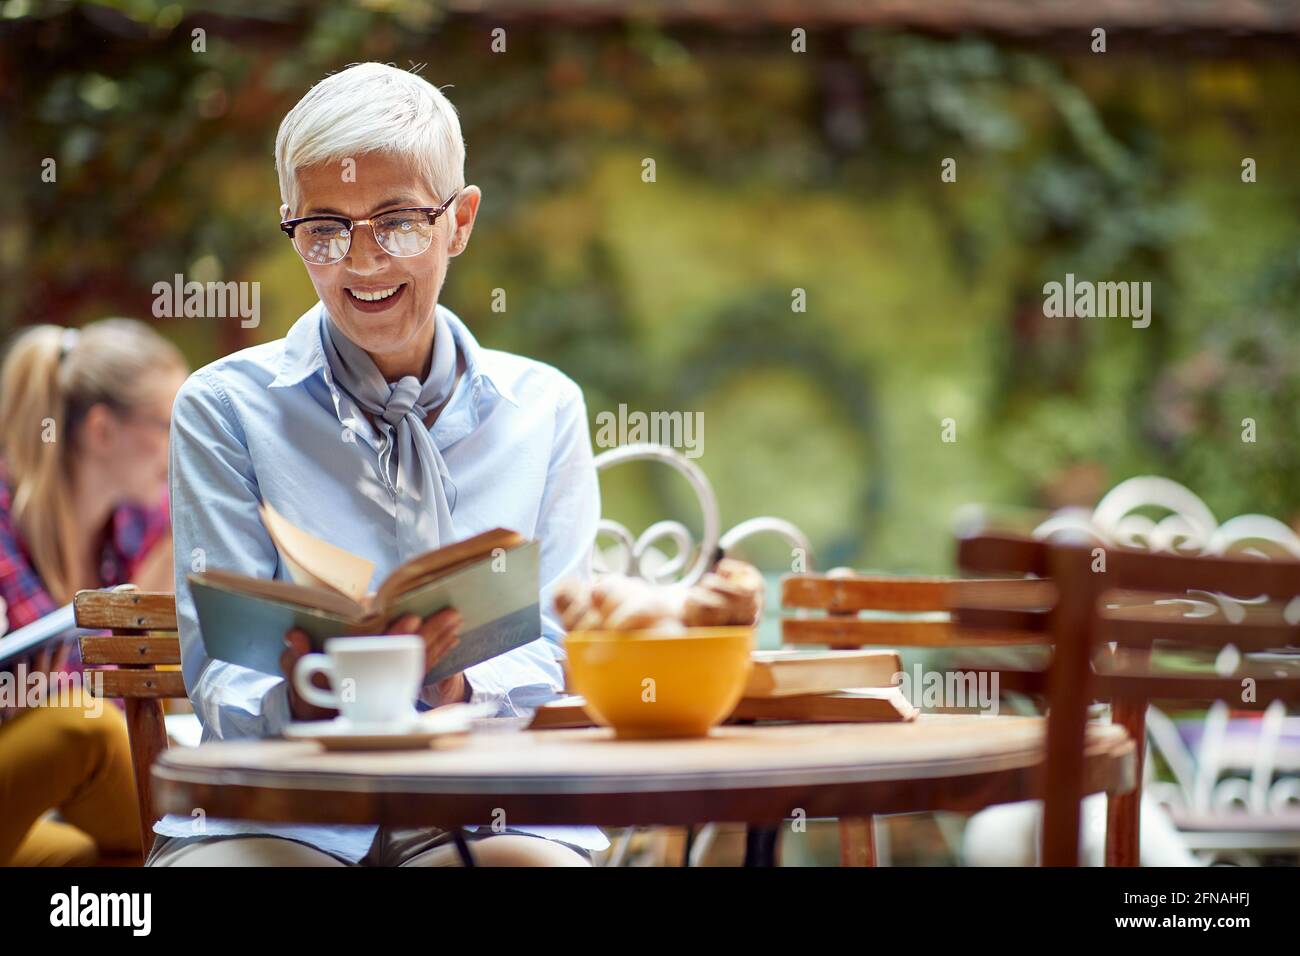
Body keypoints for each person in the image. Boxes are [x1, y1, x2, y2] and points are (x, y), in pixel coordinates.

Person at [151, 62, 605, 867]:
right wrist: (305, 693)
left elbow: (567, 651)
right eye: (325, 229)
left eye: (398, 222)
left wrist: (455, 685)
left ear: (458, 222)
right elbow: (220, 673)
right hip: (283, 809)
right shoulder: (224, 408)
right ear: (290, 224)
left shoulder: (545, 408)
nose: (361, 263)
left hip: (492, 804)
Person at [0, 319, 188, 865]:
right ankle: (202, 834)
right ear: (103, 431)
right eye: (168, 426)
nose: (180, 449)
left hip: (30, 822)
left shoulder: (130, 525)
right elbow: (69, 691)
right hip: (40, 753)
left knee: (105, 863)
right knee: (86, 727)